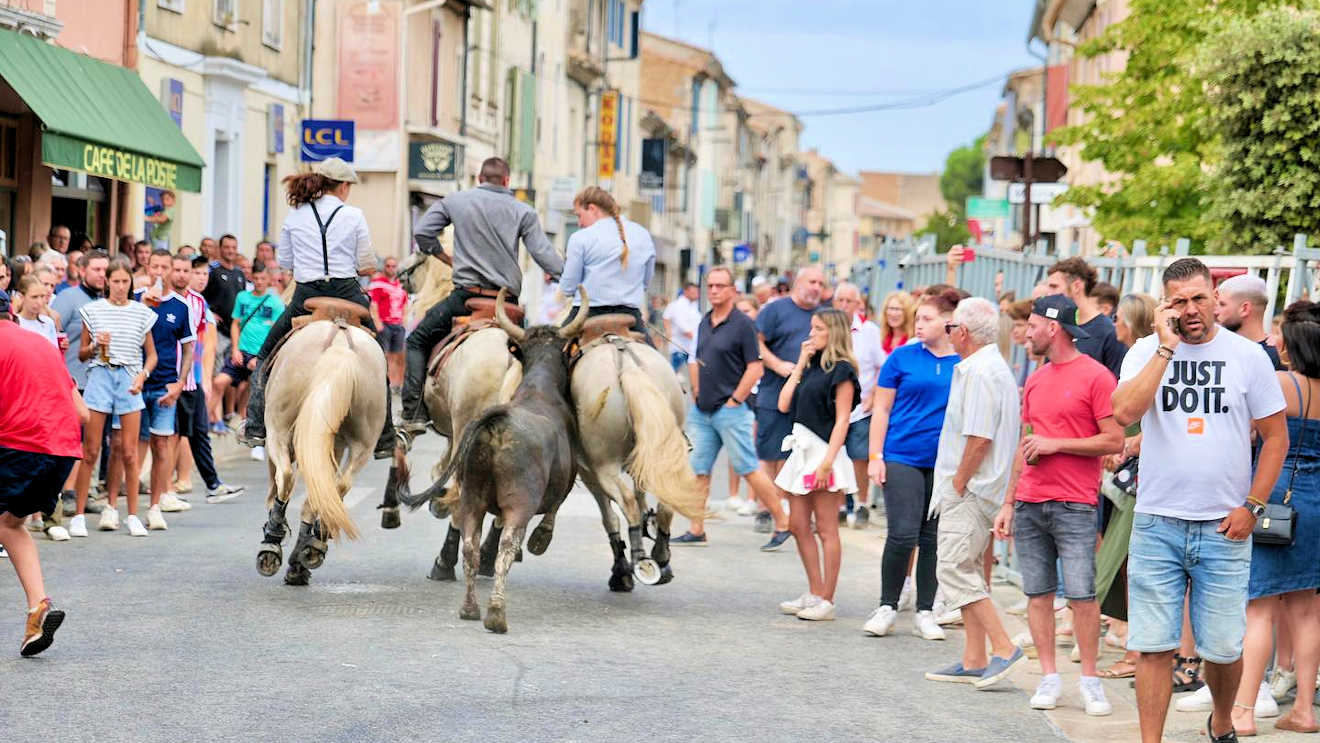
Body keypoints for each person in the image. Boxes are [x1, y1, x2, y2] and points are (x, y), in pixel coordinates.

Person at [1112, 258, 1288, 743]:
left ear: (1215, 297)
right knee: (1152, 646)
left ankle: (1223, 722)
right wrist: (1165, 349)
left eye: (1198, 298)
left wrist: (1252, 506)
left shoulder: (1248, 356)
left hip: (1224, 525)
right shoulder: (1147, 352)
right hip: (1156, 521)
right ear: (1165, 304)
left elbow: (1276, 438)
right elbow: (1125, 412)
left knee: (1224, 649)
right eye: (1179, 301)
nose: (1191, 310)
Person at [994, 295, 1123, 716]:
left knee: (1084, 596)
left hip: (1075, 503)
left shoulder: (1097, 377)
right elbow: (1025, 441)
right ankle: (1049, 677)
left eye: (1032, 325)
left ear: (1053, 328)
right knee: (1037, 594)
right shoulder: (1035, 378)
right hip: (1031, 502)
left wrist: (1057, 444)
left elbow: (1114, 441)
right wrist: (1009, 502)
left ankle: (1089, 681)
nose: (1026, 332)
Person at [238, 158, 397, 459]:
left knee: (266, 354)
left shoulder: (295, 215)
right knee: (378, 359)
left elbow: (285, 261)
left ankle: (256, 425)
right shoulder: (354, 215)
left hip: (306, 294)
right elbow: (366, 263)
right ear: (343, 186)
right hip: (348, 292)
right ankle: (386, 436)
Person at [400, 157, 564, 432]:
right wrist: (568, 276)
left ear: (479, 178)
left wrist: (444, 257)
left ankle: (413, 413)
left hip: (465, 299)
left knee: (417, 340)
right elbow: (545, 256)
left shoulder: (456, 201)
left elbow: (423, 232)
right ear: (507, 181)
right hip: (507, 305)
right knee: (533, 358)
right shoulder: (523, 211)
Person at [1230, 301, 1320, 735]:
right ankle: (1305, 708)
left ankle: (1243, 710)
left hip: (1277, 502)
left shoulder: (1283, 383)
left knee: (1259, 608)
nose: (1276, 340)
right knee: (1306, 610)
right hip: (1318, 504)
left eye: (1282, 333)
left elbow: (1251, 433)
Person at [925, 297, 1024, 689]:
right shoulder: (984, 368)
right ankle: (974, 657)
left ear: (962, 332)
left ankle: (1002, 646)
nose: (949, 334)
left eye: (951, 327)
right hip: (976, 486)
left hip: (971, 488)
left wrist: (959, 481)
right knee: (964, 566)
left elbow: (979, 437)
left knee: (953, 567)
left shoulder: (982, 372)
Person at [864, 288, 962, 641]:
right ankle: (887, 605)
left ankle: (925, 610)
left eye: (927, 319)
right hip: (902, 455)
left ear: (949, 322)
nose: (918, 325)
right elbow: (882, 410)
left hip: (944, 462)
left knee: (932, 537)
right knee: (902, 533)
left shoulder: (963, 363)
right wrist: (876, 456)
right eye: (917, 319)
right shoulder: (901, 358)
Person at [672, 266, 788, 550]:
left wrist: (736, 399)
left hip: (731, 409)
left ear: (732, 290)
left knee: (748, 467)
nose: (713, 291)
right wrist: (696, 391)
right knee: (699, 468)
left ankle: (783, 522)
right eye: (710, 286)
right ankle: (696, 528)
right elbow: (697, 359)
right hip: (703, 409)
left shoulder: (743, 324)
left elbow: (755, 368)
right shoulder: (704, 321)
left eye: (720, 286)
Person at [0, 293, 81, 655]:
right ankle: (37, 610)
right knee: (10, 523)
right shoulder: (41, 344)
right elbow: (82, 412)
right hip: (62, 451)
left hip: (18, 446)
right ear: (12, 312)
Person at [774, 308, 860, 621]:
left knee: (826, 527)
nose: (811, 334)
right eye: (812, 327)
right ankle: (814, 590)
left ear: (833, 332)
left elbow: (842, 420)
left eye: (819, 328)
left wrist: (827, 463)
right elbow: (784, 404)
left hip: (825, 452)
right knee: (798, 523)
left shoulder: (843, 370)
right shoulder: (810, 365)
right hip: (802, 449)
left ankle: (827, 598)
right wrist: (799, 363)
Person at [71, 261, 158, 537]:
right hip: (100, 376)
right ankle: (79, 516)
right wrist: (97, 344)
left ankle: (132, 514)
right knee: (91, 450)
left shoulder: (141, 312)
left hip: (129, 378)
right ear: (107, 282)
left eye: (125, 282)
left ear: (131, 283)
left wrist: (143, 374)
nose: (121, 287)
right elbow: (82, 355)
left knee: (129, 451)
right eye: (116, 281)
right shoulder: (93, 311)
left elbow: (152, 354)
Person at [753, 267, 825, 532]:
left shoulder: (823, 315)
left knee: (800, 452)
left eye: (820, 283)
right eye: (812, 281)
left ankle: (791, 509)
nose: (816, 287)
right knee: (769, 453)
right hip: (774, 391)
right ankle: (764, 510)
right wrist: (776, 364)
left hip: (809, 395)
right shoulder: (775, 310)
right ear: (798, 283)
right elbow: (756, 343)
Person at [133, 251, 196, 530]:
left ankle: (155, 505)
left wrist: (180, 382)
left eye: (165, 267)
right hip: (135, 383)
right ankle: (129, 507)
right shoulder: (135, 299)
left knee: (161, 445)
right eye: (155, 266)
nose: (160, 271)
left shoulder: (181, 306)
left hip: (164, 385)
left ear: (171, 270)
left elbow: (188, 347)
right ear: (147, 268)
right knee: (130, 446)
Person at [175, 255, 243, 505]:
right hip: (173, 378)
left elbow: (208, 345)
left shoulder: (200, 303)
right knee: (174, 435)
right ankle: (172, 487)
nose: (200, 278)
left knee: (198, 432)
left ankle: (213, 483)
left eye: (204, 274)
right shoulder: (170, 300)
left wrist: (204, 380)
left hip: (193, 378)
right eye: (196, 273)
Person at [558, 186, 655, 343]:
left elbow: (568, 288)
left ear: (592, 208)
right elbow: (645, 283)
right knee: (655, 363)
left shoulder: (580, 238)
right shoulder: (643, 234)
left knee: (553, 353)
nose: (579, 223)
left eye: (579, 215)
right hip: (631, 318)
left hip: (586, 315)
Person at [832, 282, 883, 528]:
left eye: (847, 301)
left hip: (861, 406)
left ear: (857, 304)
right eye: (839, 300)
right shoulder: (828, 328)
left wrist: (873, 395)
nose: (843, 305)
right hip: (833, 407)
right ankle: (841, 506)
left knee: (859, 457)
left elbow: (880, 365)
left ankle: (861, 503)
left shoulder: (869, 331)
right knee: (837, 455)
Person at [215, 262, 283, 429]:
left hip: (260, 354)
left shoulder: (275, 302)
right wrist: (235, 349)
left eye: (263, 278)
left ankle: (241, 416)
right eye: (256, 278)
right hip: (241, 350)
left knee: (252, 382)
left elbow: (277, 333)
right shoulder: (242, 297)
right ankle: (208, 422)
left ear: (269, 280)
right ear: (251, 278)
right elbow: (235, 324)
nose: (259, 282)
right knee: (219, 382)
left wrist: (263, 357)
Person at [1045, 257, 1126, 379]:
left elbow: (1115, 387)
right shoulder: (1056, 326)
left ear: (1076, 286)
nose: (1048, 293)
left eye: (1054, 287)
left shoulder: (1109, 332)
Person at [1215, 273, 1285, 371]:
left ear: (1244, 309)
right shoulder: (1217, 347)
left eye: (1222, 304)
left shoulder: (1270, 358)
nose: (1216, 311)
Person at [203, 233, 246, 365]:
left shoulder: (240, 273)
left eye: (233, 247)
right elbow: (199, 294)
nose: (230, 250)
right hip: (217, 331)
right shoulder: (212, 270)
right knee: (217, 369)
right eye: (227, 247)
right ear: (220, 249)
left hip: (235, 332)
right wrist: (208, 312)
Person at [367, 256, 409, 389]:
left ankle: (395, 383)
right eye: (388, 266)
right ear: (384, 267)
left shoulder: (399, 286)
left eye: (394, 266)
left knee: (397, 355)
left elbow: (405, 306)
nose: (391, 269)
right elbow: (373, 305)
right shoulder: (377, 284)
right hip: (384, 324)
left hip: (398, 325)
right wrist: (378, 324)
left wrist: (404, 323)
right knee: (383, 355)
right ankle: (382, 382)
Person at [662, 283, 701, 371]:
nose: (696, 294)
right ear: (686, 292)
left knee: (695, 372)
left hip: (691, 345)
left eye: (697, 292)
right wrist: (668, 331)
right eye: (693, 292)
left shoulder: (694, 306)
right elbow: (681, 324)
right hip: (679, 345)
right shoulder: (678, 305)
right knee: (674, 372)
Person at [14, 276, 56, 347]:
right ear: (21, 297)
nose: (39, 302)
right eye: (34, 297)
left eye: (42, 296)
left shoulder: (48, 322)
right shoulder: (14, 323)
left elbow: (55, 352)